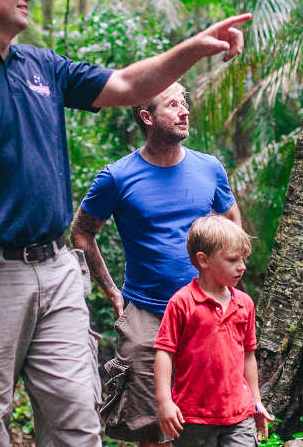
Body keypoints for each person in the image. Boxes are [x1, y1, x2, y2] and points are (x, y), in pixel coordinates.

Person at [0, 0, 251, 444]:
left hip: (58, 270)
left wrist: (194, 47)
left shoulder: (43, 67)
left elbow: (127, 83)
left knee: (78, 426)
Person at [71, 81, 240, 446]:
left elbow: (231, 222)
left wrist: (228, 287)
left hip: (205, 312)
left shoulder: (209, 168)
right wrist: (113, 292)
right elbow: (82, 232)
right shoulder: (117, 176)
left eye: (185, 102)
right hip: (147, 315)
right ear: (147, 117)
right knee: (149, 427)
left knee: (207, 420)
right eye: (173, 105)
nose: (185, 111)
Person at [153, 215, 272, 446]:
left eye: (243, 259)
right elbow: (164, 352)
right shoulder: (182, 302)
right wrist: (164, 401)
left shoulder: (245, 303)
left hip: (239, 414)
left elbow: (249, 354)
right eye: (232, 260)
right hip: (193, 417)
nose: (242, 267)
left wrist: (256, 401)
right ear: (203, 261)